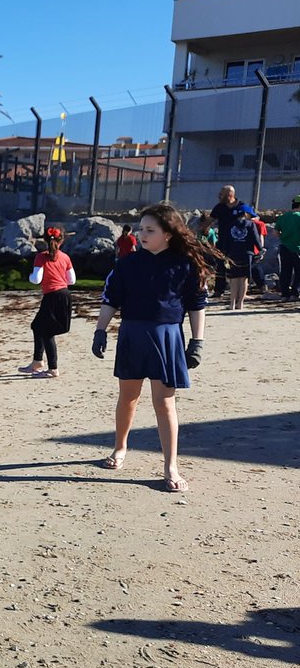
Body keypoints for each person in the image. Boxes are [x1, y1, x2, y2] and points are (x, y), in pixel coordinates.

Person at [91, 204, 209, 492]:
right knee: (128, 397)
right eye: (141, 228)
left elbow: (197, 305)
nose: (142, 234)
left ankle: (170, 466)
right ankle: (120, 447)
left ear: (168, 234)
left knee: (164, 402)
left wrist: (197, 342)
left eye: (150, 230)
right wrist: (100, 331)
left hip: (168, 337)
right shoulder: (127, 264)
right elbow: (111, 299)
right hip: (132, 334)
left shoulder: (186, 264)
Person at [18, 228, 75, 379]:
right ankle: (37, 362)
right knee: (37, 326)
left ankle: (53, 369)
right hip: (64, 295)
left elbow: (36, 279)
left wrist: (29, 276)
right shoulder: (65, 257)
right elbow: (72, 280)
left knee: (47, 332)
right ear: (61, 241)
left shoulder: (41, 257)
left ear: (44, 240)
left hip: (52, 296)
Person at [201, 184, 240, 298]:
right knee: (220, 265)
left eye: (221, 194)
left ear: (230, 195)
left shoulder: (240, 206)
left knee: (236, 266)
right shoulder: (219, 207)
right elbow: (210, 220)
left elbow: (253, 218)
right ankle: (219, 289)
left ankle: (237, 291)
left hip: (236, 241)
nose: (219, 196)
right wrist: (201, 230)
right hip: (222, 240)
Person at [223, 204, 263, 311]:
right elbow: (256, 239)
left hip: (233, 254)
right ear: (245, 214)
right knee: (244, 278)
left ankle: (231, 303)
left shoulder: (229, 225)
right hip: (247, 254)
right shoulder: (250, 224)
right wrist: (261, 249)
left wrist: (225, 253)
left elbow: (226, 241)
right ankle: (240, 303)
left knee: (234, 278)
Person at [274, 195, 300, 301]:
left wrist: (284, 237)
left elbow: (275, 233)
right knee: (299, 272)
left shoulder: (283, 217)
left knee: (285, 271)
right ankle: (295, 293)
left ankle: (285, 294)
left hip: (284, 247)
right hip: (298, 248)